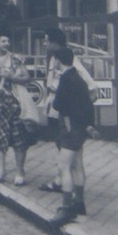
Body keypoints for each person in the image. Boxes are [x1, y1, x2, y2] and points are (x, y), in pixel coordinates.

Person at [0, 36, 38, 186]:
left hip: (16, 103)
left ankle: (20, 171)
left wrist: (12, 77)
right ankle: (0, 170)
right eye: (3, 41)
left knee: (19, 138)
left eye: (8, 41)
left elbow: (26, 78)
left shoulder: (16, 59)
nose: (7, 44)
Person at [46, 45, 95, 225]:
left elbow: (58, 105)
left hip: (68, 126)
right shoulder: (79, 78)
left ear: (58, 60)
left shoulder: (65, 80)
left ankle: (66, 208)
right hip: (80, 127)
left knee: (64, 166)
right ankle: (79, 203)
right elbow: (88, 104)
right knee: (77, 165)